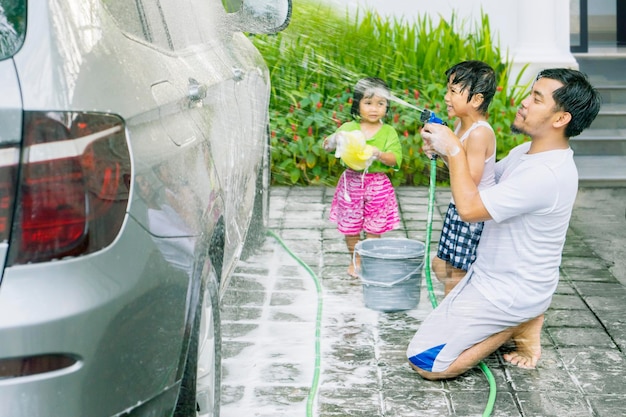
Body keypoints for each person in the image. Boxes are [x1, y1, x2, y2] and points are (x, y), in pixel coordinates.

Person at [406, 68, 601, 380]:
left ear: (560, 118)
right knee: (429, 334)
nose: (523, 103)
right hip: (488, 278)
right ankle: (520, 318)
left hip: (509, 292)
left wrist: (455, 148)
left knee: (427, 364)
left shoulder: (546, 174)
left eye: (536, 99)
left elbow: (470, 209)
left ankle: (518, 323)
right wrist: (446, 154)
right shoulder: (528, 152)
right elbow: (479, 185)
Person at [323, 77, 403, 278]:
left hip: (377, 185)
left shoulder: (388, 132)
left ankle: (369, 260)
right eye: (368, 103)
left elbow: (395, 159)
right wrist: (334, 140)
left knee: (374, 227)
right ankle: (355, 259)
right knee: (350, 227)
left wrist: (379, 154)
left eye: (380, 104)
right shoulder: (349, 129)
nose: (374, 109)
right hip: (351, 183)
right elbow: (327, 146)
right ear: (357, 104)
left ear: (387, 106)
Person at [432, 60, 498, 296]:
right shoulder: (461, 125)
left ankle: (451, 324)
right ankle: (457, 309)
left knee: (456, 274)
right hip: (458, 209)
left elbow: (470, 179)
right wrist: (440, 150)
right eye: (447, 89)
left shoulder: (479, 133)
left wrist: (448, 149)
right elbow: (457, 164)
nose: (446, 96)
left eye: (453, 91)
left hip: (473, 215)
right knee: (444, 266)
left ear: (477, 99)